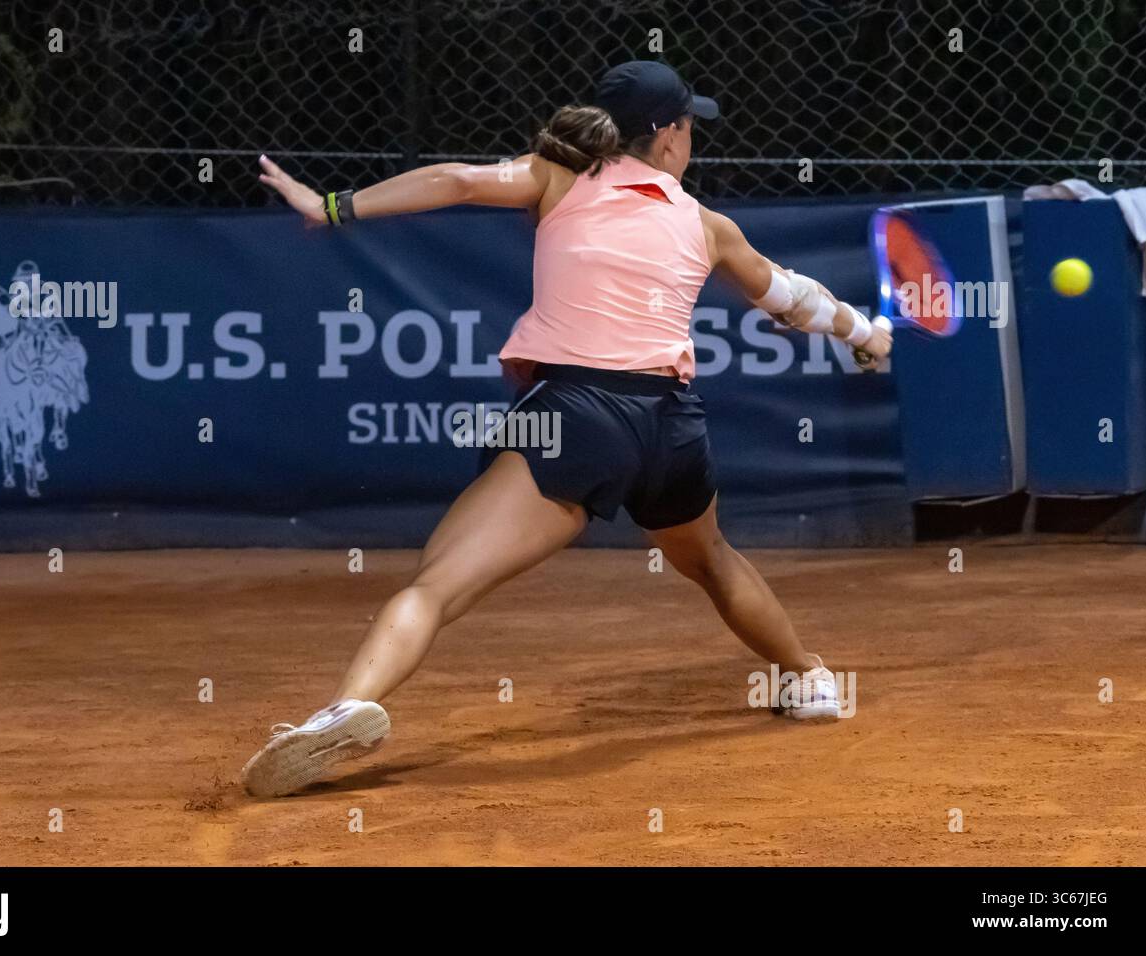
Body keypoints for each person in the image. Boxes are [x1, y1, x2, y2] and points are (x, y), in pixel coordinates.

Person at [242, 61, 892, 797]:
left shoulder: (554, 177)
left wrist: (331, 206)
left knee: (437, 585)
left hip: (578, 422)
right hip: (672, 429)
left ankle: (349, 708)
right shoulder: (708, 226)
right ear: (668, 136)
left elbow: (455, 180)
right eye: (688, 125)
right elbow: (791, 298)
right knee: (709, 559)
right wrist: (865, 332)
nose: (692, 139)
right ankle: (810, 679)